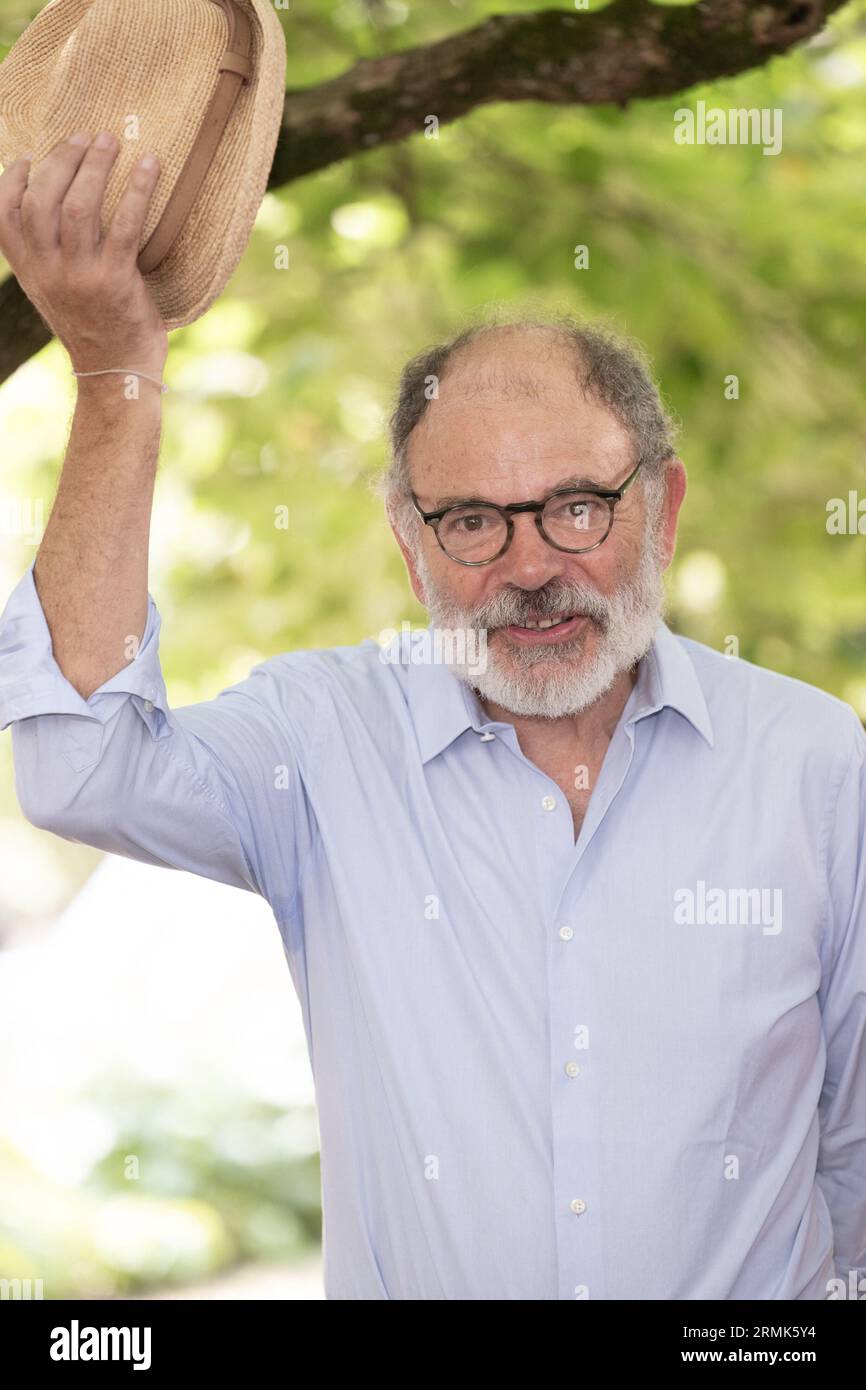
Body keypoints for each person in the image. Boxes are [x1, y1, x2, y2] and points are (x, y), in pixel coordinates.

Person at [0, 132, 864, 1302]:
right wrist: (115, 376)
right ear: (411, 549)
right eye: (469, 522)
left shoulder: (816, 765)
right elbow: (77, 769)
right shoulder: (320, 740)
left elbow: (853, 1162)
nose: (527, 567)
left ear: (658, 510)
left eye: (573, 507)